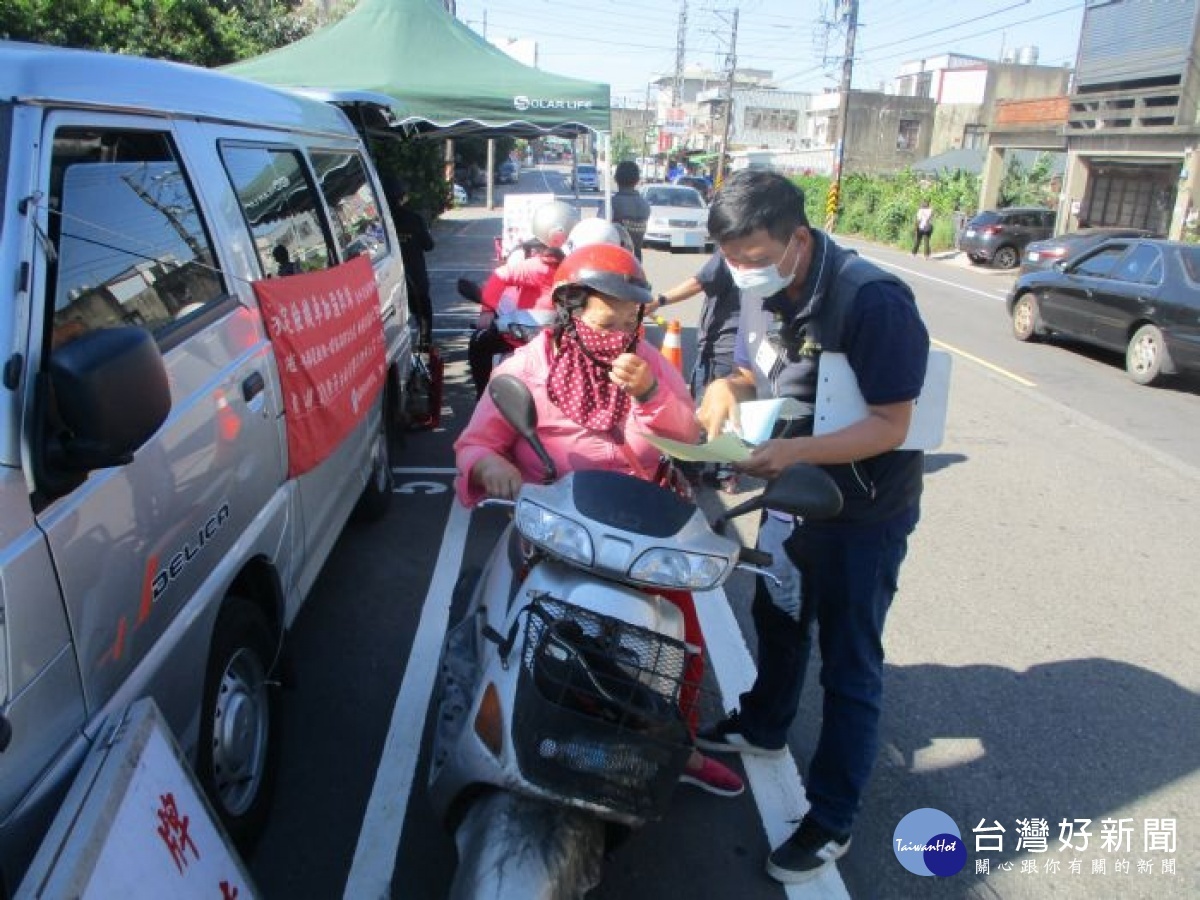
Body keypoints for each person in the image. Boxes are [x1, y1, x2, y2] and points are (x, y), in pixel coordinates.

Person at [694, 170, 929, 883]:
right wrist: (722, 389)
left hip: (862, 511)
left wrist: (796, 452)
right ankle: (765, 723)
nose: (741, 273)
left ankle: (832, 815)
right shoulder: (758, 288)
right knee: (778, 613)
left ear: (799, 238)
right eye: (731, 259)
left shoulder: (873, 302)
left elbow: (892, 424)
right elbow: (753, 372)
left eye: (753, 257)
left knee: (850, 660)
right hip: (791, 496)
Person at [455, 243, 746, 799]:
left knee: (680, 643)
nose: (621, 329)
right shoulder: (529, 367)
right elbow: (476, 443)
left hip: (641, 532)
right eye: (606, 317)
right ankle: (497, 713)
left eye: (632, 316)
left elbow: (685, 440)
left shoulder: (649, 363)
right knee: (506, 626)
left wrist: (651, 392)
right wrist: (490, 465)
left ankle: (675, 744)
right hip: (557, 533)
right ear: (571, 308)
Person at [467, 200, 579, 397]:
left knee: (479, 343)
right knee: (479, 342)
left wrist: (487, 310)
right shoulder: (535, 264)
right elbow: (500, 277)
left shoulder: (577, 268)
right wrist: (487, 311)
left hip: (567, 341)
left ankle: (482, 398)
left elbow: (500, 277)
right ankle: (483, 397)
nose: (550, 255)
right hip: (529, 339)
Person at [382, 176, 435, 349]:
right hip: (415, 273)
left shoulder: (381, 221)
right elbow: (428, 245)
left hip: (388, 275)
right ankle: (425, 339)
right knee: (422, 306)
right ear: (401, 197)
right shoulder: (414, 219)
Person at [609, 160, 651, 260]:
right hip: (636, 259)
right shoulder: (645, 205)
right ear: (637, 180)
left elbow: (600, 231)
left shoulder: (611, 204)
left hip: (615, 258)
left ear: (616, 179)